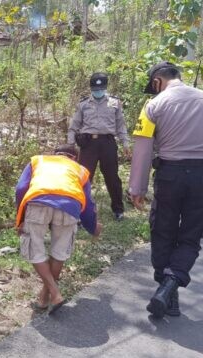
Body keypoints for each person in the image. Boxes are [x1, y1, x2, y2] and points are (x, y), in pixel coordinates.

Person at [129, 61, 203, 319]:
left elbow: (143, 149)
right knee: (191, 237)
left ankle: (166, 286)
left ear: (157, 82)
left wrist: (137, 188)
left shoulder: (153, 105)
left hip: (170, 176)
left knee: (163, 230)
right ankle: (170, 290)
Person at [15, 144, 102, 315]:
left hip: (38, 200)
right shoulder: (81, 170)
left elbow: (20, 189)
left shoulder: (38, 161)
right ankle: (45, 297)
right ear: (74, 158)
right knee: (59, 251)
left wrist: (20, 219)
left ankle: (52, 293)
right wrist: (93, 228)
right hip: (69, 206)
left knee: (34, 247)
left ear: (54, 154)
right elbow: (88, 204)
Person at [68, 72, 131, 221]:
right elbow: (74, 125)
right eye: (95, 90)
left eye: (100, 89)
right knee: (83, 178)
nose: (98, 92)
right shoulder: (83, 104)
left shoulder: (114, 103)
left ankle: (118, 210)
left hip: (108, 143)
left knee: (112, 177)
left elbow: (120, 125)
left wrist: (125, 143)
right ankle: (80, 212)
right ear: (90, 89)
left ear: (105, 87)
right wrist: (70, 144)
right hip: (88, 144)